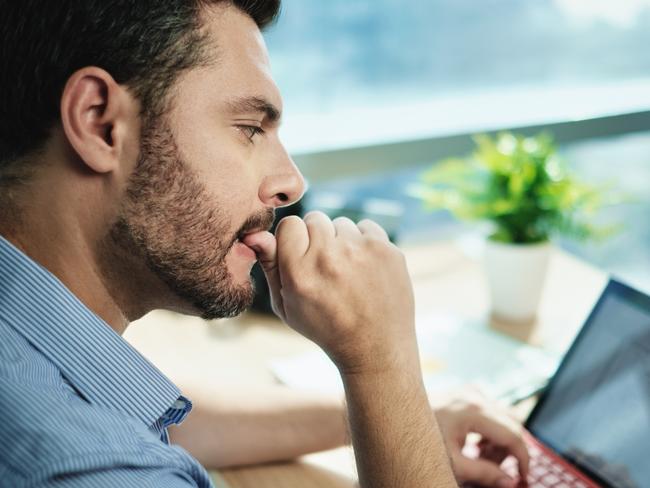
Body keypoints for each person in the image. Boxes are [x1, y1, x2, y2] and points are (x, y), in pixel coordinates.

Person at [0, 1, 529, 487]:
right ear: (100, 123)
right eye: (251, 127)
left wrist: (402, 421)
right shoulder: (93, 468)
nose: (290, 183)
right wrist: (382, 363)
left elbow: (154, 419)